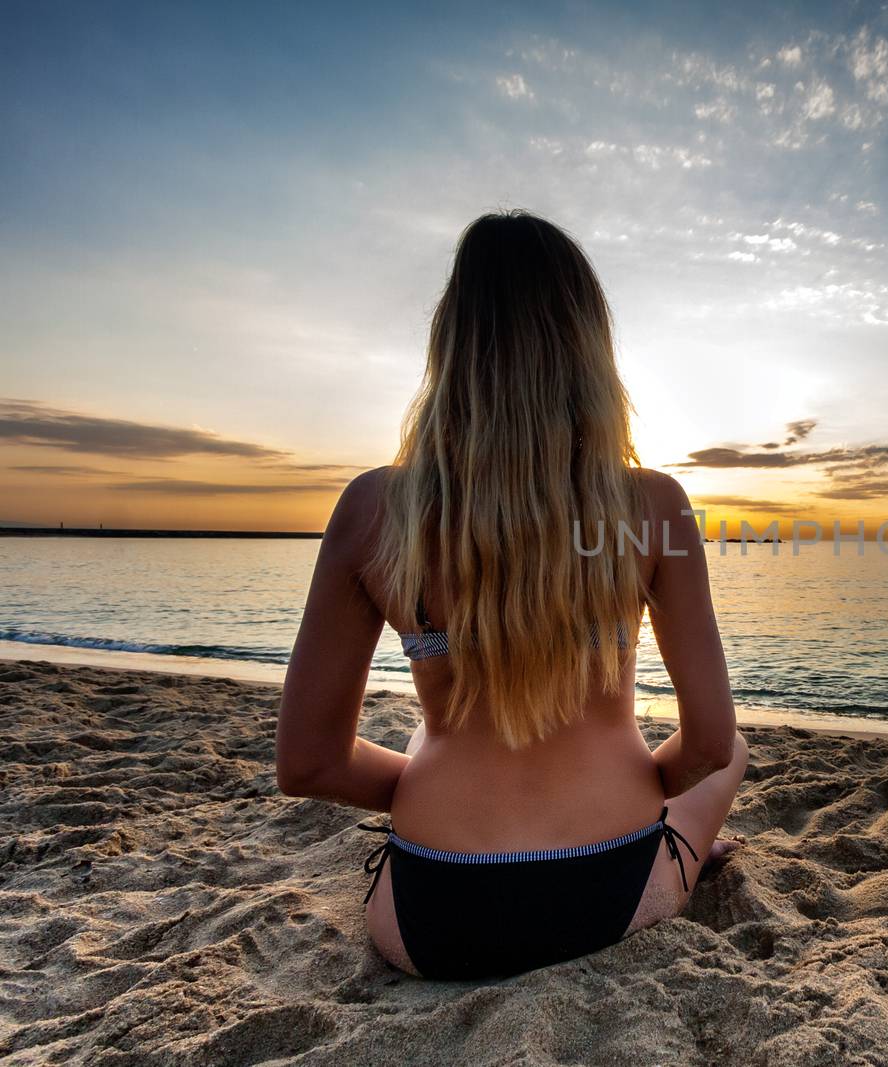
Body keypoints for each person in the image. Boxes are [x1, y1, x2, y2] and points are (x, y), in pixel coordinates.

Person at [275, 211, 747, 980]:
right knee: (735, 755)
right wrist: (641, 793)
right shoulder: (652, 508)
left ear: (451, 344)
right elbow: (708, 742)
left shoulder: (372, 510)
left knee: (435, 753)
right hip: (605, 881)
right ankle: (685, 848)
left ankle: (665, 836)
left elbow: (307, 763)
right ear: (588, 349)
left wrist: (426, 783)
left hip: (435, 908)